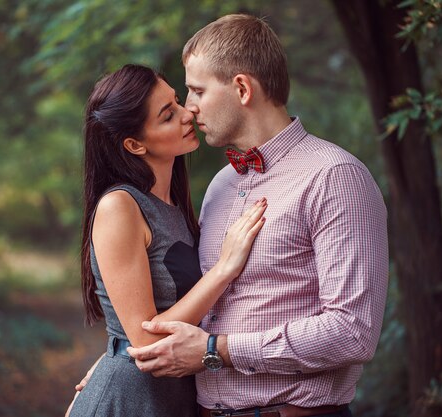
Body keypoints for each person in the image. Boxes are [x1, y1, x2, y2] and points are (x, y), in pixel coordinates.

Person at [126, 14, 389, 417]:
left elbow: (352, 333)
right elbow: (186, 303)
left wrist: (217, 351)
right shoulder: (219, 186)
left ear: (242, 88)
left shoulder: (334, 178)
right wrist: (116, 361)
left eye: (197, 90)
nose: (189, 108)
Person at [66, 64, 268, 417]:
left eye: (177, 101)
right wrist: (224, 269)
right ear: (134, 144)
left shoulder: (176, 206)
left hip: (174, 398)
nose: (187, 112)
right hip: (131, 400)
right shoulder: (120, 207)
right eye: (167, 115)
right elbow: (145, 340)